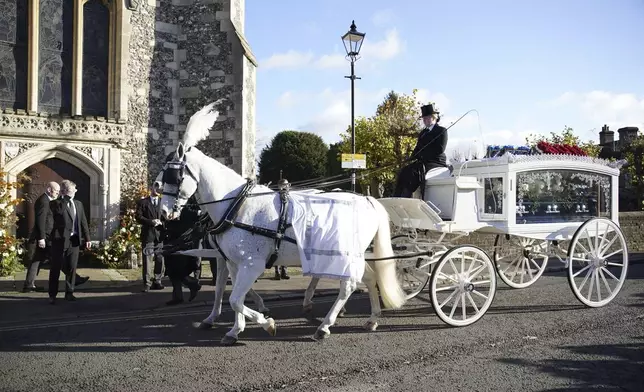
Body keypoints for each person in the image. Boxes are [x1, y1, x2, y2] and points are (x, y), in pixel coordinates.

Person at [22, 182, 89, 292]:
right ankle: (75, 279)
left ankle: (29, 284)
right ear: (49, 189)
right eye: (56, 191)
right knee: (57, 260)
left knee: (37, 260)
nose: (58, 193)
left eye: (59, 191)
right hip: (46, 237)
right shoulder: (44, 201)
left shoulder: (49, 200)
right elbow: (41, 220)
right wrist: (42, 237)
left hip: (47, 236)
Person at [48, 180, 91, 304]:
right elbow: (59, 212)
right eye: (73, 190)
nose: (76, 191)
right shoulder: (55, 203)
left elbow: (83, 222)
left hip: (74, 239)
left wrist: (87, 238)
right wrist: (65, 197)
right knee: (56, 268)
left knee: (72, 267)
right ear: (65, 191)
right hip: (59, 240)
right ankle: (52, 294)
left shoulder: (78, 204)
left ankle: (69, 292)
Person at [393, 103, 449, 198]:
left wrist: (423, 155)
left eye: (427, 118)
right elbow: (417, 148)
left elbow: (440, 149)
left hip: (436, 161)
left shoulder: (441, 131)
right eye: (424, 119)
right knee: (403, 171)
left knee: (414, 172)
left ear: (434, 118)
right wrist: (411, 157)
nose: (425, 120)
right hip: (423, 161)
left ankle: (407, 196)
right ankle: (396, 196)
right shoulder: (423, 133)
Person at [162, 197, 201, 305]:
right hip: (170, 238)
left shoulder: (189, 205)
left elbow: (194, 218)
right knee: (171, 270)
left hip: (183, 241)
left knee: (177, 269)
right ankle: (178, 296)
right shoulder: (171, 203)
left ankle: (192, 284)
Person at [135, 185, 165, 292]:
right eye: (155, 188)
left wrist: (163, 222)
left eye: (159, 188)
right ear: (151, 189)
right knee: (147, 260)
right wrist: (150, 222)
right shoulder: (143, 202)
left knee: (160, 259)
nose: (157, 190)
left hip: (160, 235)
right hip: (148, 235)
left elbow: (168, 216)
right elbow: (138, 217)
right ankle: (147, 283)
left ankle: (157, 281)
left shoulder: (163, 202)